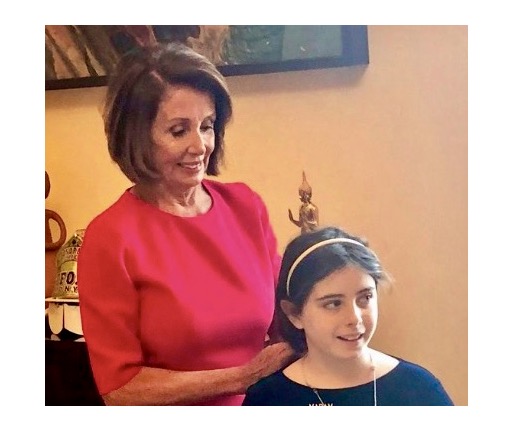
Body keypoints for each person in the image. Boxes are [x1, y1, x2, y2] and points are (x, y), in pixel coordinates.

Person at [77, 42, 294, 406]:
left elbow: (285, 323)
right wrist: (243, 377)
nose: (200, 146)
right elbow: (121, 388)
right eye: (179, 131)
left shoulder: (246, 206)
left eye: (207, 126)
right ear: (137, 137)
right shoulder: (110, 238)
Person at [242, 226, 454, 406]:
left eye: (365, 298)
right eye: (333, 303)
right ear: (295, 314)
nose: (354, 318)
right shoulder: (268, 399)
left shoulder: (418, 389)